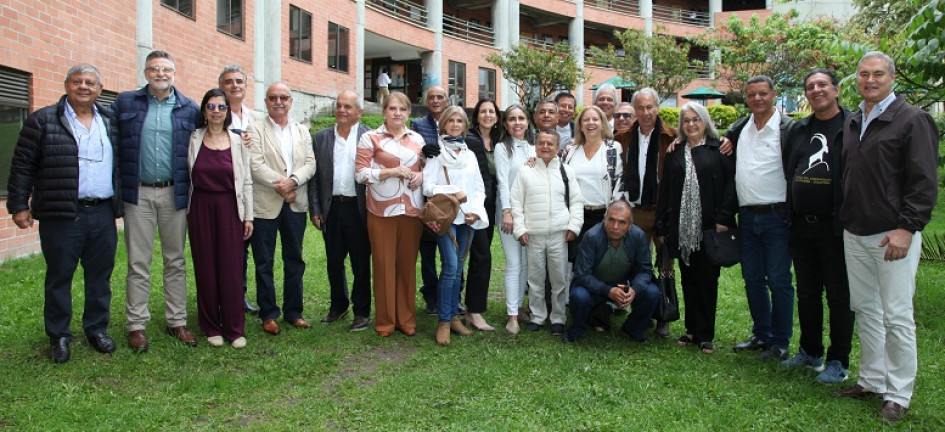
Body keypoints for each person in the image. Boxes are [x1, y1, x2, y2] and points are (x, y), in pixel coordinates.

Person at [834, 51, 939, 423]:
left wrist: (907, 227)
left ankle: (898, 394)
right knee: (866, 310)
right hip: (855, 231)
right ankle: (872, 379)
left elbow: (924, 180)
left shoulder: (912, 120)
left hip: (891, 235)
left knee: (897, 315)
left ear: (892, 78)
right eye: (864, 74)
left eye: (878, 74)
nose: (870, 80)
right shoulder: (854, 120)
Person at [7, 64, 122, 363]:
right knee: (59, 276)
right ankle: (58, 335)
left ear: (100, 89)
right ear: (67, 85)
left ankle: (96, 328)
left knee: (100, 276)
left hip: (102, 212)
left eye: (90, 82)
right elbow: (22, 165)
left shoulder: (110, 121)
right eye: (77, 81)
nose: (84, 86)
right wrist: (19, 204)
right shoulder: (43, 120)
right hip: (62, 214)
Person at [112, 50, 199, 351]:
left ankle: (177, 320)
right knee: (138, 261)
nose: (160, 73)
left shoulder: (190, 108)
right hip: (139, 193)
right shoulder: (126, 103)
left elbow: (214, 135)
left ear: (175, 73)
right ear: (146, 73)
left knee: (175, 259)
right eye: (154, 69)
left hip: (175, 193)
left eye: (166, 69)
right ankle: (136, 324)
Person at [778, 68, 855, 383]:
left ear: (836, 90)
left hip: (835, 226)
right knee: (808, 293)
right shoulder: (799, 129)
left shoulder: (852, 126)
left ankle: (839, 361)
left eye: (823, 84)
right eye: (810, 86)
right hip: (801, 226)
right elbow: (789, 166)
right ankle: (810, 351)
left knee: (839, 296)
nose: (816, 90)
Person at [655, 102, 736, 354]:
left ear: (705, 121)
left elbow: (731, 185)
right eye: (686, 120)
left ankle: (706, 333)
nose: (691, 124)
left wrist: (724, 217)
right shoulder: (675, 152)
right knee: (688, 278)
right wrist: (662, 226)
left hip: (710, 227)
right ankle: (691, 329)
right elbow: (666, 190)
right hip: (682, 228)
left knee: (708, 279)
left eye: (696, 119)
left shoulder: (719, 149)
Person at [725, 75, 795, 361]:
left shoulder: (787, 129)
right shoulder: (742, 128)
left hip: (777, 215)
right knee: (752, 277)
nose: (757, 99)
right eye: (752, 94)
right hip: (747, 214)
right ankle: (762, 333)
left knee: (778, 279)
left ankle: (780, 341)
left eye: (763, 94)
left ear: (774, 94)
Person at [247, 82, 317, 336]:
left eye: (284, 97)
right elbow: (254, 164)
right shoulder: (254, 129)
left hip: (295, 203)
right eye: (273, 97)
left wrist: (294, 182)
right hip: (265, 204)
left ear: (291, 101)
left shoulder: (302, 131)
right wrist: (282, 185)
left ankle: (294, 312)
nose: (279, 101)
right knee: (264, 261)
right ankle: (268, 314)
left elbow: (310, 163)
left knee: (294, 259)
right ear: (266, 101)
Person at [187, 88, 254, 349]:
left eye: (222, 107)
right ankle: (210, 325)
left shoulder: (239, 141)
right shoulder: (192, 138)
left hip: (230, 208)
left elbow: (246, 181)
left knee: (231, 268)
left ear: (228, 111)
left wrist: (248, 216)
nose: (216, 112)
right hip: (201, 208)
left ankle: (234, 328)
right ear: (204, 111)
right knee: (205, 267)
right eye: (211, 107)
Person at [356, 91, 425, 337]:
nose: (397, 113)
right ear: (384, 111)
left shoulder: (418, 139)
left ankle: (406, 320)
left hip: (411, 210)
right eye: (393, 108)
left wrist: (421, 176)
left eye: (402, 109)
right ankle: (385, 321)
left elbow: (428, 169)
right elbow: (360, 174)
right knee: (384, 266)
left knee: (406, 267)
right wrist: (390, 172)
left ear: (409, 113)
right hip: (380, 211)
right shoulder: (369, 138)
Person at [423, 107, 489, 345]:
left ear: (464, 125)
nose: (455, 124)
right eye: (450, 119)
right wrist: (454, 192)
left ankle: (453, 317)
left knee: (458, 268)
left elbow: (479, 188)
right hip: (446, 219)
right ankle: (443, 320)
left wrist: (476, 211)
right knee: (450, 266)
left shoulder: (470, 154)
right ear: (443, 123)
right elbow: (427, 188)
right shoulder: (436, 153)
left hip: (467, 219)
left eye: (459, 120)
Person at [308, 90, 373, 332]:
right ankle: (338, 305)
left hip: (359, 209)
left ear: (359, 112)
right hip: (332, 207)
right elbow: (315, 178)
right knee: (334, 260)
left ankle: (362, 311)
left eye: (347, 106)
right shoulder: (321, 138)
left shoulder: (370, 137)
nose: (342, 110)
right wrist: (315, 208)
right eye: (339, 106)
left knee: (360, 262)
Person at [615, 87, 676, 338]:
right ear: (634, 111)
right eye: (640, 108)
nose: (645, 112)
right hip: (635, 211)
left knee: (665, 267)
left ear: (657, 108)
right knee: (637, 266)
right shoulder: (624, 137)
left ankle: (663, 315)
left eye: (650, 107)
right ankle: (641, 311)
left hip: (663, 212)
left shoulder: (670, 136)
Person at [511, 129, 584, 335]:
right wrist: (520, 229)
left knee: (559, 279)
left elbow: (577, 201)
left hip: (559, 234)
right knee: (535, 279)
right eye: (541, 143)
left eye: (550, 144)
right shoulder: (525, 171)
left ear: (557, 147)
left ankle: (558, 318)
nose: (545, 147)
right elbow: (516, 203)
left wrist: (573, 227)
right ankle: (537, 316)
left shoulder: (566, 171)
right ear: (535, 145)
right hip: (534, 234)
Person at [566, 201, 659, 343]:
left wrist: (634, 289)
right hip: (595, 286)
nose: (615, 227)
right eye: (611, 220)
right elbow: (582, 274)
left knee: (652, 292)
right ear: (604, 218)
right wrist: (608, 291)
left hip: (624, 285)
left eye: (622, 222)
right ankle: (577, 329)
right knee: (578, 295)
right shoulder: (591, 237)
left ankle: (633, 329)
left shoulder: (638, 236)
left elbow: (645, 270)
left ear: (630, 225)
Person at [218, 64, 261, 314]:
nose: (234, 86)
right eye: (228, 82)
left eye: (239, 81)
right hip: (227, 192)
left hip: (255, 191)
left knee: (246, 249)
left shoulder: (257, 118)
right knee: (231, 250)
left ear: (246, 86)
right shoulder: (214, 115)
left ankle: (240, 295)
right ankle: (228, 296)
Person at [495, 105, 535, 334]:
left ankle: (519, 306)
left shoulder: (534, 147)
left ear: (528, 122)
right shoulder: (503, 148)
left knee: (527, 264)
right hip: (510, 213)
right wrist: (507, 212)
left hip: (530, 213)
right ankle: (512, 316)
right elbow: (502, 181)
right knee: (514, 263)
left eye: (521, 118)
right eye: (512, 119)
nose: (517, 123)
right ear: (505, 123)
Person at [463, 98, 502, 331]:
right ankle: (473, 311)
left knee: (480, 255)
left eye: (491, 111)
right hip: (475, 205)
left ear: (497, 116)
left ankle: (470, 307)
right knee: (480, 255)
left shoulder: (500, 140)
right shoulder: (469, 139)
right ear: (476, 115)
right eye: (483, 111)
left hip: (494, 204)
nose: (487, 115)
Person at [411, 85, 449, 314]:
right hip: (427, 198)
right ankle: (431, 296)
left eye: (440, 97)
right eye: (432, 97)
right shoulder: (418, 126)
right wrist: (424, 153)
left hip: (450, 197)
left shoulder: (455, 121)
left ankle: (452, 295)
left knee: (451, 250)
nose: (436, 100)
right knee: (427, 252)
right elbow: (413, 157)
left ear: (447, 100)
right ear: (427, 101)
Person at [563, 105, 622, 246]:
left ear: (602, 124)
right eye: (586, 120)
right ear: (580, 126)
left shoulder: (613, 148)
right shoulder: (572, 151)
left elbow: (619, 181)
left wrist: (612, 214)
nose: (591, 123)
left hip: (603, 215)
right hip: (576, 216)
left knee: (600, 264)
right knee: (578, 263)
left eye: (595, 119)